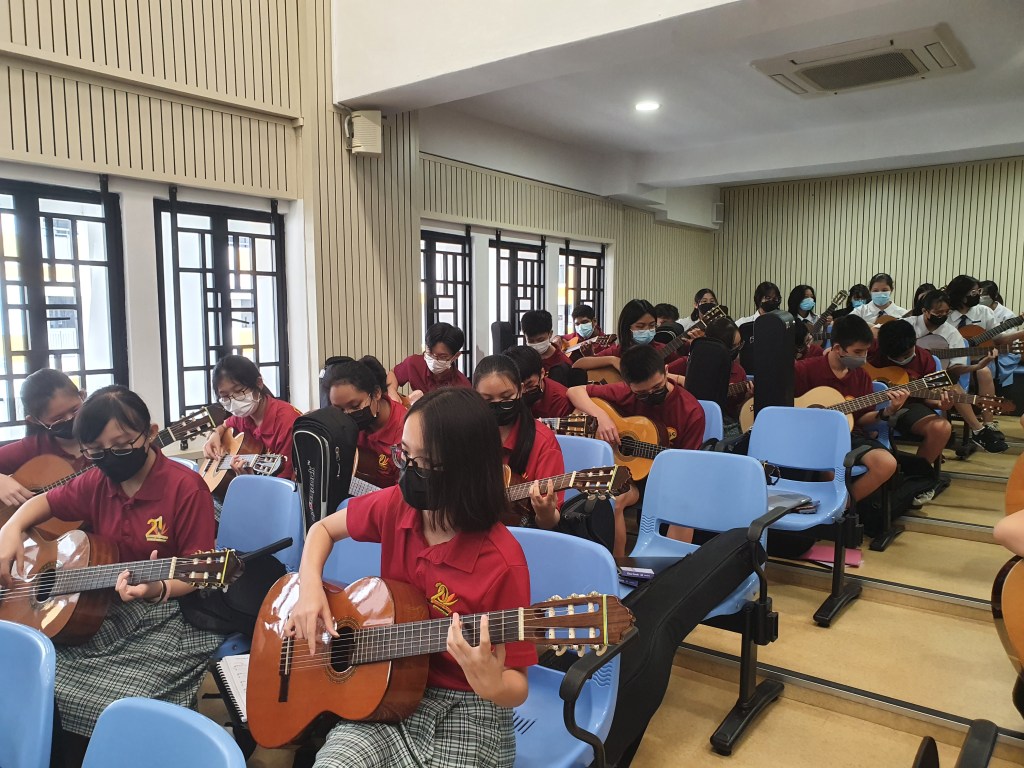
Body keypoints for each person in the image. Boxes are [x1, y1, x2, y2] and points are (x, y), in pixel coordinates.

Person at [286, 388, 535, 768]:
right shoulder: (397, 505)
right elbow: (322, 529)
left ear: (466, 469)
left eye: (426, 464)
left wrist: (495, 685)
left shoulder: (503, 562)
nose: (409, 471)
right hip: (385, 685)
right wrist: (309, 589)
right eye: (404, 455)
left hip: (468, 706)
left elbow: (517, 684)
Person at [0, 386, 223, 758]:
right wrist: (10, 529)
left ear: (150, 434)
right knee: (30, 676)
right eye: (96, 451)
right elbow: (42, 503)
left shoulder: (186, 489)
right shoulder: (97, 480)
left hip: (168, 611)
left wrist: (157, 588)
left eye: (121, 447)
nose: (109, 459)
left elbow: (195, 572)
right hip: (102, 603)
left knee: (115, 704)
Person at [568, 345, 706, 555]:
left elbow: (688, 467)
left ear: (666, 371)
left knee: (684, 505)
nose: (651, 395)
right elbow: (574, 391)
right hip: (628, 477)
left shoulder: (691, 411)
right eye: (641, 393)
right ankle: (616, 566)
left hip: (668, 479)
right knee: (611, 502)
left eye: (657, 387)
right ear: (628, 384)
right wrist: (601, 417)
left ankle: (672, 566)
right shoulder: (625, 392)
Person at [793, 315, 903, 503]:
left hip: (850, 436)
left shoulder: (862, 377)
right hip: (808, 439)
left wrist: (888, 411)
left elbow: (862, 419)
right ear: (838, 348)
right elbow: (782, 406)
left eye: (866, 351)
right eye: (858, 352)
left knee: (887, 463)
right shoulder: (804, 370)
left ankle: (843, 507)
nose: (863, 357)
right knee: (828, 467)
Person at [905, 289, 1003, 451]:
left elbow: (956, 369)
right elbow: (882, 336)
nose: (943, 316)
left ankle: (978, 431)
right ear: (925, 311)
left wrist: (977, 366)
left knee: (951, 385)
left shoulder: (951, 333)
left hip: (934, 381)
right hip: (904, 377)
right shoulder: (907, 325)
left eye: (946, 312)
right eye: (938, 312)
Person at [473, 355, 564, 529]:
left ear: (521, 390)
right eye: (487, 400)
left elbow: (549, 525)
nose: (498, 404)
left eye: (506, 397)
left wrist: (545, 514)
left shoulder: (543, 442)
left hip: (521, 533)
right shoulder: (465, 433)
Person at [868, 320, 954, 505]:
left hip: (909, 407)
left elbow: (930, 398)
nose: (901, 360)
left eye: (906, 355)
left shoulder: (925, 359)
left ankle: (915, 479)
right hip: (867, 405)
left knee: (941, 428)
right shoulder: (871, 350)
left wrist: (941, 404)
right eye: (895, 358)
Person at [947, 275, 1024, 448]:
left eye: (979, 291)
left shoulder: (983, 312)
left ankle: (988, 424)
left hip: (978, 359)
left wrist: (1021, 333)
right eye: (974, 292)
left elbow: (999, 339)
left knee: (984, 371)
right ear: (961, 295)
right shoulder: (947, 314)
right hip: (950, 360)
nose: (978, 295)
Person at [0, 369, 88, 509]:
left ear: (83, 396)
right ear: (35, 421)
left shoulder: (109, 439)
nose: (70, 418)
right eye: (58, 418)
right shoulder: (32, 447)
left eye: (75, 410)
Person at [203, 355, 301, 480]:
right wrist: (214, 434)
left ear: (258, 383)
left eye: (239, 391)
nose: (234, 401)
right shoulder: (243, 417)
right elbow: (224, 425)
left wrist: (249, 482)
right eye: (225, 396)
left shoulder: (288, 423)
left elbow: (285, 483)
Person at [322, 356, 408, 487]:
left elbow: (406, 492)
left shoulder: (405, 431)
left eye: (355, 406)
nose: (348, 415)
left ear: (376, 393)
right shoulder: (342, 423)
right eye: (340, 409)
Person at [572, 299, 675, 375]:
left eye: (652, 325)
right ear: (627, 327)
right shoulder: (617, 351)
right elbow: (578, 364)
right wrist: (613, 360)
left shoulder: (663, 349)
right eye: (640, 326)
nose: (647, 330)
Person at [387, 322, 471, 402]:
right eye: (430, 353)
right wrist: (392, 391)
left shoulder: (463, 388)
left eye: (442, 356)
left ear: (456, 356)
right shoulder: (414, 363)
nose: (434, 360)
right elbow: (393, 374)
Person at [503, 345, 574, 420]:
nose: (523, 391)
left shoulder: (561, 403)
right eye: (517, 386)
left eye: (529, 384)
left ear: (542, 373)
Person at [979, 279, 1022, 389]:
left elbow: (1007, 342)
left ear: (994, 296)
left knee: (984, 366)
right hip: (981, 350)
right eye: (979, 293)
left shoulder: (1007, 314)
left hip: (1005, 353)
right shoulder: (977, 311)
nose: (980, 297)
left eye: (984, 294)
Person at [520, 309, 572, 374]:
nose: (536, 344)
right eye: (531, 341)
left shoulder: (563, 363)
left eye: (540, 340)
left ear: (550, 334)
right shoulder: (521, 359)